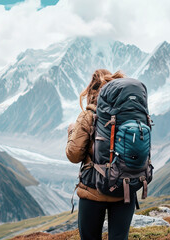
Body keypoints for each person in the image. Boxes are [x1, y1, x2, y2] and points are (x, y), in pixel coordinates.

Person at [66, 69, 136, 240]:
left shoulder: (89, 115)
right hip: (125, 189)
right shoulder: (130, 114)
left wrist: (71, 133)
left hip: (93, 189)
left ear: (92, 90)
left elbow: (73, 155)